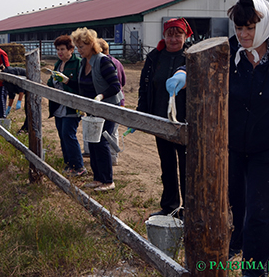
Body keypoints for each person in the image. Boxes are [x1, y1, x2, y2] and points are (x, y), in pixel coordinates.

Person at [166, 0, 269, 277]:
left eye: (250, 28)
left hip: (268, 148)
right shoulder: (226, 51)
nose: (244, 35)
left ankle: (255, 269)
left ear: (264, 25)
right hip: (232, 146)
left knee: (260, 213)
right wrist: (184, 72)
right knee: (231, 206)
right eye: (239, 28)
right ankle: (232, 247)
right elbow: (198, 61)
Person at [132, 18, 192, 218]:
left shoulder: (192, 57)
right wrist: (142, 113)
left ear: (185, 36)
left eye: (178, 35)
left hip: (185, 122)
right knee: (167, 165)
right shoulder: (154, 58)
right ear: (164, 36)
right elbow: (145, 86)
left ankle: (189, 209)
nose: (174, 39)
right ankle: (170, 206)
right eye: (170, 34)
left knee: (187, 167)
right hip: (161, 120)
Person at [58, 28, 123, 191]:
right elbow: (82, 86)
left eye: (82, 47)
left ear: (91, 45)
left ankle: (108, 180)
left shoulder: (102, 61)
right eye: (77, 47)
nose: (79, 50)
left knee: (101, 142)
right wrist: (66, 81)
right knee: (93, 142)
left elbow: (115, 86)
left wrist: (101, 95)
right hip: (92, 108)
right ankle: (97, 178)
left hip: (107, 108)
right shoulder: (83, 63)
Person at [46, 35, 86, 176]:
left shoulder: (78, 63)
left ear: (71, 49)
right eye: (58, 49)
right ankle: (69, 164)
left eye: (63, 49)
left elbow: (82, 87)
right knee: (62, 135)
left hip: (72, 105)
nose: (60, 52)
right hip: (58, 105)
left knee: (68, 134)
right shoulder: (58, 64)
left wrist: (67, 81)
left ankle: (78, 166)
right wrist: (52, 80)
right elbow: (51, 83)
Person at [96, 38, 126, 165]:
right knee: (113, 131)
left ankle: (111, 157)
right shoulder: (117, 62)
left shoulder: (103, 62)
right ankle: (113, 156)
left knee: (108, 131)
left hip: (110, 99)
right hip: (120, 98)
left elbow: (116, 84)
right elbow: (123, 81)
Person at [2, 65, 28, 133]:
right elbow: (11, 94)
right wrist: (9, 108)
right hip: (25, 88)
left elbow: (21, 89)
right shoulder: (5, 82)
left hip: (29, 84)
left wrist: (19, 102)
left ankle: (26, 129)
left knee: (29, 108)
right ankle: (26, 128)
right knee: (27, 109)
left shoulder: (10, 74)